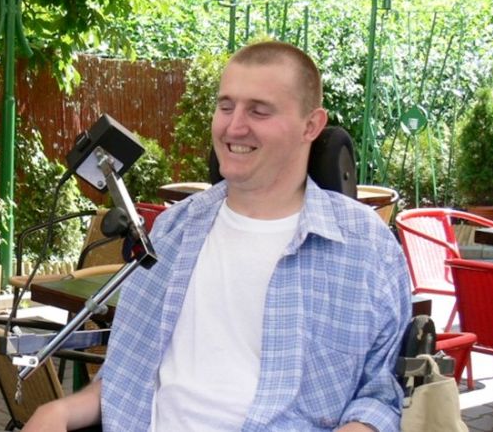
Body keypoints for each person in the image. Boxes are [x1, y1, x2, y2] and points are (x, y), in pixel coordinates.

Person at [24, 41, 411, 432]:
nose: (233, 127)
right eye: (226, 107)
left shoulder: (366, 248)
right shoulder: (175, 229)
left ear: (311, 126)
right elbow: (128, 373)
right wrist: (61, 412)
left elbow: (379, 396)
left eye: (258, 111)